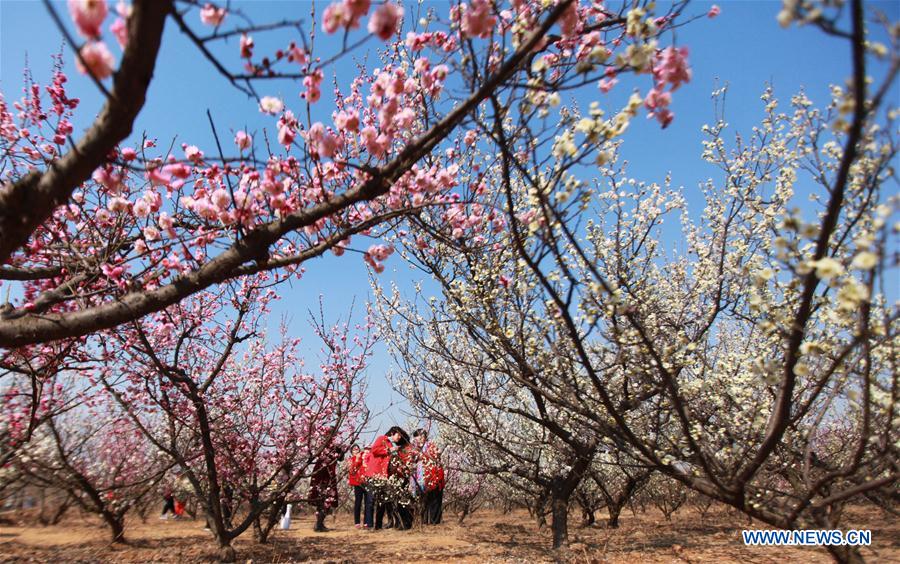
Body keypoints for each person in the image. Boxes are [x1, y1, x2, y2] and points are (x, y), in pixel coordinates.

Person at [363, 426, 403, 530]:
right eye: (398, 435)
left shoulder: (391, 444)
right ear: (392, 433)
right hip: (374, 473)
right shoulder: (382, 438)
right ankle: (369, 524)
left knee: (383, 500)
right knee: (371, 500)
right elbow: (375, 450)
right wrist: (389, 450)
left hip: (383, 475)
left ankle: (378, 525)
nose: (399, 437)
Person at [308, 434, 345, 532]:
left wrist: (341, 450)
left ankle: (319, 524)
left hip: (328, 473)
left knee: (327, 500)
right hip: (322, 473)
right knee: (323, 499)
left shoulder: (335, 446)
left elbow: (341, 458)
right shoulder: (321, 444)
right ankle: (319, 524)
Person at [412, 429, 445, 525]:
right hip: (421, 478)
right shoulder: (415, 449)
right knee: (424, 500)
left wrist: (423, 455)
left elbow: (435, 457)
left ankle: (434, 522)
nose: (418, 439)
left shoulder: (431, 446)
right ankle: (425, 521)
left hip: (433, 476)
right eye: (416, 437)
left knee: (434, 500)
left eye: (419, 436)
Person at [347, 445, 365, 528]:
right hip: (357, 483)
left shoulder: (363, 457)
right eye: (354, 449)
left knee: (367, 502)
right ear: (351, 452)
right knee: (358, 502)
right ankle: (357, 522)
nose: (356, 451)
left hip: (365, 482)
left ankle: (366, 522)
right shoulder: (350, 460)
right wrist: (357, 459)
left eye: (357, 449)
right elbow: (351, 470)